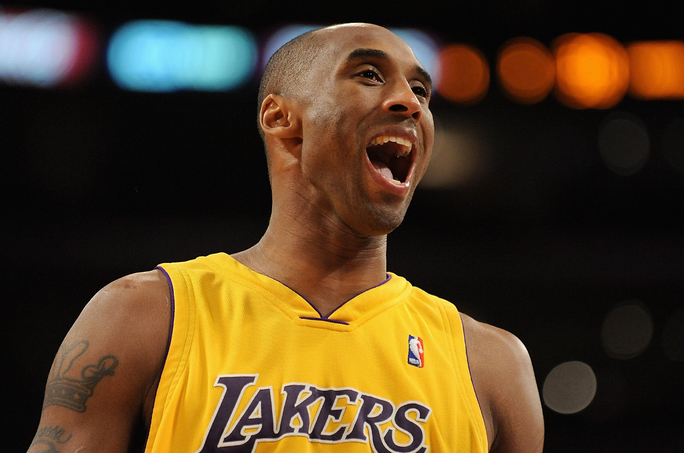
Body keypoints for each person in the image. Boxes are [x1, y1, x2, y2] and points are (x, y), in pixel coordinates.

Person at [28, 23, 544, 453]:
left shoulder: (491, 365)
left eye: (421, 91)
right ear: (281, 118)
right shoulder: (145, 316)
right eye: (369, 75)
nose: (409, 102)